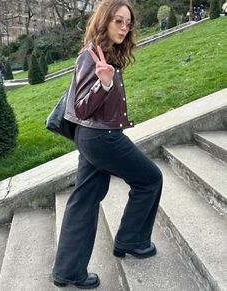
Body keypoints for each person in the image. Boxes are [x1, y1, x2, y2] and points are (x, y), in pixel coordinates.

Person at [52, 0, 163, 289]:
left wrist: (106, 83)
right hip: (102, 138)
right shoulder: (91, 57)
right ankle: (132, 239)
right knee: (150, 179)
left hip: (92, 137)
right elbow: (81, 107)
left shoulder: (101, 53)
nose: (125, 28)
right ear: (104, 21)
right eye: (118, 21)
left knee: (85, 199)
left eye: (128, 23)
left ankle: (68, 270)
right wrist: (104, 84)